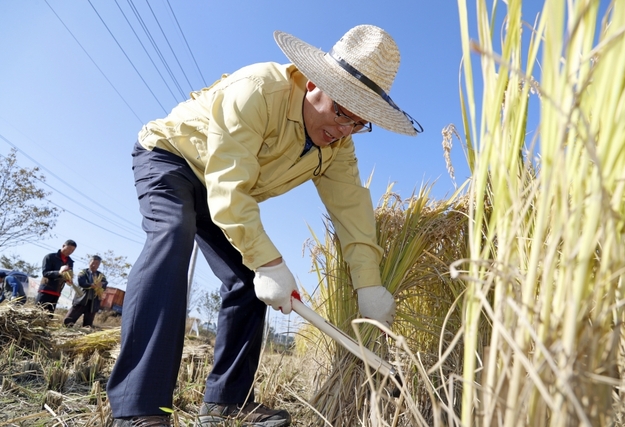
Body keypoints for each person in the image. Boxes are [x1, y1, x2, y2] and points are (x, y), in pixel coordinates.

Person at [107, 25, 422, 427]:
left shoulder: (338, 147)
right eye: (342, 113)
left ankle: (225, 402)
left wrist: (369, 284)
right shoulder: (258, 90)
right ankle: (139, 407)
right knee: (172, 236)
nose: (344, 130)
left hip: (222, 191)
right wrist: (269, 262)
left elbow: (353, 213)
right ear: (313, 84)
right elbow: (228, 185)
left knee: (247, 281)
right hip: (172, 158)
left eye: (359, 123)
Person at [63, 255, 108, 328]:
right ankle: (64, 329)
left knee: (88, 324)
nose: (94, 265)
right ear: (89, 262)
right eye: (92, 263)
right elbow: (82, 282)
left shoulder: (101, 275)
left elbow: (105, 283)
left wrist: (102, 284)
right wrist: (91, 285)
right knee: (69, 320)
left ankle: (84, 334)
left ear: (99, 265)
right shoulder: (83, 272)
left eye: (96, 264)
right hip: (81, 300)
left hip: (93, 303)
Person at [36, 239, 76, 313]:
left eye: (72, 250)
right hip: (46, 290)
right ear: (63, 246)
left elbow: (68, 276)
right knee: (38, 312)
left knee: (49, 316)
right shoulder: (50, 257)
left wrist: (68, 280)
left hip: (57, 291)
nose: (70, 252)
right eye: (69, 249)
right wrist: (59, 272)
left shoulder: (70, 262)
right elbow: (45, 273)